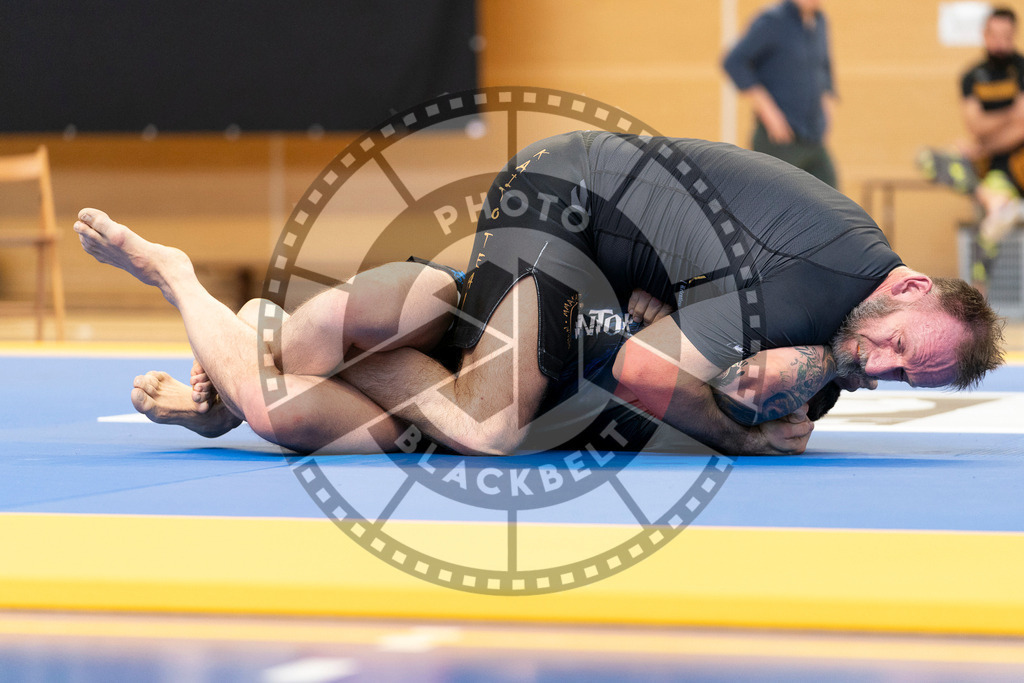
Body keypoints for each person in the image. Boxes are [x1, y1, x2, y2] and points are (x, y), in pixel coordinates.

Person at [76, 132, 1005, 458]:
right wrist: (735, 424)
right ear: (911, 284)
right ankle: (177, 273)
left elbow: (734, 377)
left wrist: (767, 398)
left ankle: (253, 355)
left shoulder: (846, 333)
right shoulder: (818, 277)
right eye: (894, 348)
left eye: (898, 378)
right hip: (566, 203)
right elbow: (646, 369)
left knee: (301, 396)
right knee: (487, 426)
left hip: (592, 279)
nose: (877, 371)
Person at [918, 6, 1024, 297]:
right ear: (985, 34)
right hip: (989, 171)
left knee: (991, 226)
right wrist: (1011, 115)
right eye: (995, 34)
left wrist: (984, 143)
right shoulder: (971, 76)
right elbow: (975, 124)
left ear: (1013, 35)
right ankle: (989, 199)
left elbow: (1021, 126)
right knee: (927, 159)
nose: (1000, 42)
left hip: (1017, 166)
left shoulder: (1022, 69)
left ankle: (995, 202)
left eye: (1007, 35)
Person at [723, 0, 839, 188]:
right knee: (776, 207)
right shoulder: (773, 21)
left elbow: (824, 67)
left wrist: (827, 104)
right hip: (779, 140)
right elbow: (734, 62)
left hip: (814, 137)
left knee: (832, 203)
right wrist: (767, 110)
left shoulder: (821, 21)